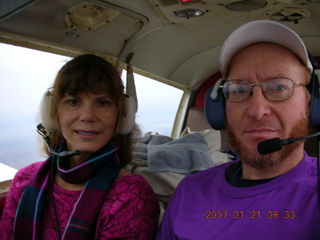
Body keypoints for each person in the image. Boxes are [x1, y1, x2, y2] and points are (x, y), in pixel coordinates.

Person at [157, 20, 320, 239]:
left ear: (312, 103)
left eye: (279, 87)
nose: (257, 110)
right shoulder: (190, 191)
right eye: (239, 89)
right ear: (222, 107)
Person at [0, 54, 159, 239]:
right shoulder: (24, 180)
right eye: (73, 102)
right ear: (52, 114)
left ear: (122, 117)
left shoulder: (131, 196)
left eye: (103, 102)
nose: (87, 115)